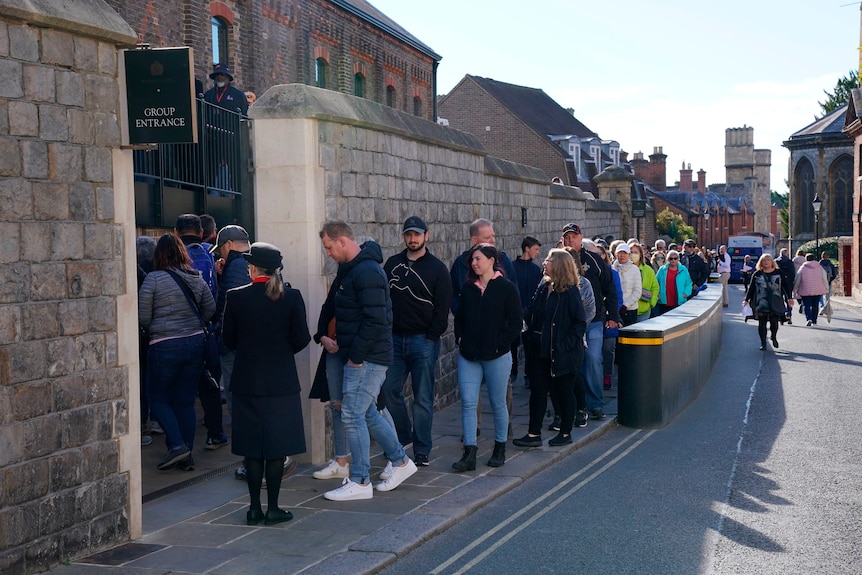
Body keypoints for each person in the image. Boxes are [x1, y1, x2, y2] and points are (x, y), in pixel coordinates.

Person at [318, 221, 417, 501]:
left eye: (328, 247)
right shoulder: (352, 269)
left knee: (352, 414)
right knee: (367, 413)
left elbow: (377, 320)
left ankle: (361, 481)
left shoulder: (367, 271)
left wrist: (357, 358)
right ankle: (400, 461)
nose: (327, 254)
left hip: (367, 358)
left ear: (342, 242)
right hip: (363, 356)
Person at [221, 242, 310, 525]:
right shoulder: (292, 297)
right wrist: (279, 353)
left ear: (252, 268)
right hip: (281, 381)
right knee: (275, 448)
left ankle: (253, 509)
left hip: (247, 380)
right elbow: (301, 339)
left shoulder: (236, 297)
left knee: (252, 448)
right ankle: (273, 508)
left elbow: (227, 340)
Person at [138, 234, 215, 471]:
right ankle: (186, 455)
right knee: (184, 402)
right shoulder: (195, 277)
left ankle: (178, 446)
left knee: (158, 398)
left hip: (164, 344)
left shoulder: (153, 279)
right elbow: (210, 309)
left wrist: (159, 328)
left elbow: (142, 316)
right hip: (195, 344)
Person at [380, 216, 452, 467]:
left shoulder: (437, 268)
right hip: (395, 340)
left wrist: (432, 335)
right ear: (404, 237)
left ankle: (422, 450)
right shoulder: (392, 264)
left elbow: (443, 308)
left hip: (423, 340)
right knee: (388, 390)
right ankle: (403, 438)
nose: (413, 239)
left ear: (426, 236)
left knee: (423, 397)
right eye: (409, 234)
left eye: (417, 234)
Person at [452, 244, 521, 471]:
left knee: (498, 403)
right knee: (469, 403)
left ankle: (499, 447)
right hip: (469, 356)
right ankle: (469, 453)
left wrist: (500, 344)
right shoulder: (468, 288)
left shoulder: (506, 288)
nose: (474, 263)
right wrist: (460, 338)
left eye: (478, 259)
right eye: (472, 259)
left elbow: (515, 323)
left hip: (497, 356)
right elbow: (459, 318)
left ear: (492, 260)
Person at [514, 249, 587, 448]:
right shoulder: (544, 286)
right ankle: (533, 434)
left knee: (563, 392)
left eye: (548, 260)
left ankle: (565, 433)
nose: (544, 262)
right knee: (537, 391)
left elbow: (579, 324)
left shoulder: (570, 292)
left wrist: (563, 346)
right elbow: (532, 311)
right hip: (539, 351)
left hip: (562, 353)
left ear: (559, 265)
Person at [175, 214, 226, 451]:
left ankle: (179, 443)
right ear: (202, 232)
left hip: (177, 331)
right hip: (207, 329)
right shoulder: (210, 253)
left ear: (176, 232)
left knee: (180, 389)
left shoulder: (171, 255)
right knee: (210, 385)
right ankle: (214, 434)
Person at [560, 223, 621, 421]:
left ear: (580, 238)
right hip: (567, 323)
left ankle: (595, 404)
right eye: (567, 237)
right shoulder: (557, 260)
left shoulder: (593, 260)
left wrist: (613, 316)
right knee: (571, 364)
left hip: (594, 320)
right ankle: (574, 405)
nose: (570, 240)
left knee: (593, 359)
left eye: (573, 237)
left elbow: (609, 288)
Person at [513, 236, 543, 387]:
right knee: (512, 343)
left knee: (529, 345)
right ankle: (512, 374)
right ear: (527, 248)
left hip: (530, 313)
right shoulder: (512, 267)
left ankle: (528, 375)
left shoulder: (536, 269)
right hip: (514, 312)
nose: (538, 253)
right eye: (536, 249)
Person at [744, 254, 791, 350]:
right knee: (762, 323)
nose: (766, 262)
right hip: (761, 301)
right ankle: (763, 343)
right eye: (764, 260)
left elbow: (785, 286)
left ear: (772, 262)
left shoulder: (778, 273)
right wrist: (746, 300)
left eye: (768, 260)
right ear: (761, 262)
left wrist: (789, 298)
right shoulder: (757, 274)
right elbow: (751, 288)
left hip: (775, 301)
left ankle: (773, 336)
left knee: (774, 322)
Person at [794, 253, 829, 326]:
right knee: (815, 305)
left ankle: (808, 318)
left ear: (806, 259)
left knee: (806, 305)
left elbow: (798, 279)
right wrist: (826, 288)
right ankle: (814, 321)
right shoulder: (819, 267)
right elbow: (824, 278)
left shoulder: (803, 267)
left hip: (805, 289)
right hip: (817, 289)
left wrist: (795, 288)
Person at [655, 249, 693, 316]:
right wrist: (657, 294)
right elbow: (655, 283)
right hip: (664, 302)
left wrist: (686, 293)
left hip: (679, 301)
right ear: (668, 259)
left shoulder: (683, 269)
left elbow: (688, 283)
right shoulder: (662, 270)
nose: (673, 260)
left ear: (678, 259)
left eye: (675, 258)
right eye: (671, 258)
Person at [611, 243, 641, 326]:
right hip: (615, 309)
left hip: (630, 310)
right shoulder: (612, 269)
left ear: (629, 255)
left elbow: (637, 291)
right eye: (620, 253)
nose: (622, 255)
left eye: (625, 253)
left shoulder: (634, 269)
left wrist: (625, 305)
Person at [630, 243, 659, 321]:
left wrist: (652, 303)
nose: (633, 255)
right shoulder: (623, 269)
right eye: (631, 252)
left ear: (640, 255)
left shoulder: (648, 270)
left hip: (644, 310)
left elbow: (655, 287)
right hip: (628, 310)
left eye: (635, 252)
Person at [774, 248, 797, 323]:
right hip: (788, 284)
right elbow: (793, 273)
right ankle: (789, 314)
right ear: (786, 254)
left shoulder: (776, 262)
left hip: (778, 283)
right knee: (789, 300)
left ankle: (781, 315)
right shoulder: (790, 262)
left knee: (779, 300)